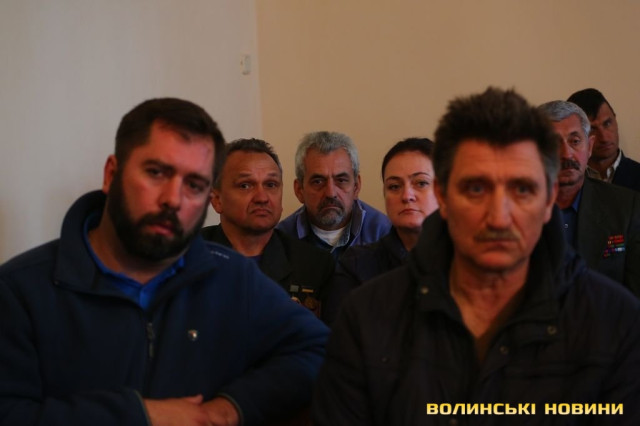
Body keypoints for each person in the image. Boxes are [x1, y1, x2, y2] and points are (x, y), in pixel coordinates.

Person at [312, 88, 640, 425]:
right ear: (444, 197)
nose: (498, 215)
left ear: (548, 199)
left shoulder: (615, 321)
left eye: (521, 189)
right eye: (476, 189)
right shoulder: (367, 316)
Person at [0, 98, 328, 426]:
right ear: (111, 175)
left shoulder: (230, 276)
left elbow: (319, 349)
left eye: (194, 185)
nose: (173, 199)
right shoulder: (20, 291)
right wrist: (140, 416)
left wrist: (230, 408)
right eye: (156, 173)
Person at [201, 138, 334, 317]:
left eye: (271, 185)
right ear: (216, 199)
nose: (262, 198)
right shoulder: (184, 257)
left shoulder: (315, 265)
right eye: (245, 185)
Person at [323, 138, 439, 324]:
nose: (407, 195)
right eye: (394, 186)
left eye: (421, 183)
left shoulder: (469, 262)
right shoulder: (356, 266)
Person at [538, 100, 640, 296]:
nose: (567, 154)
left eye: (575, 141)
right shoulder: (514, 210)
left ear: (590, 146)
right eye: (553, 143)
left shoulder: (627, 207)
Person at [277, 131, 391, 259]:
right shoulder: (281, 241)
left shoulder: (384, 233)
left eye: (341, 180)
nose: (331, 193)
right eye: (318, 182)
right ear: (299, 190)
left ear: (356, 186)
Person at [567, 88, 640, 192]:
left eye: (607, 123)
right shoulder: (562, 182)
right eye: (592, 129)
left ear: (615, 119)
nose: (604, 138)